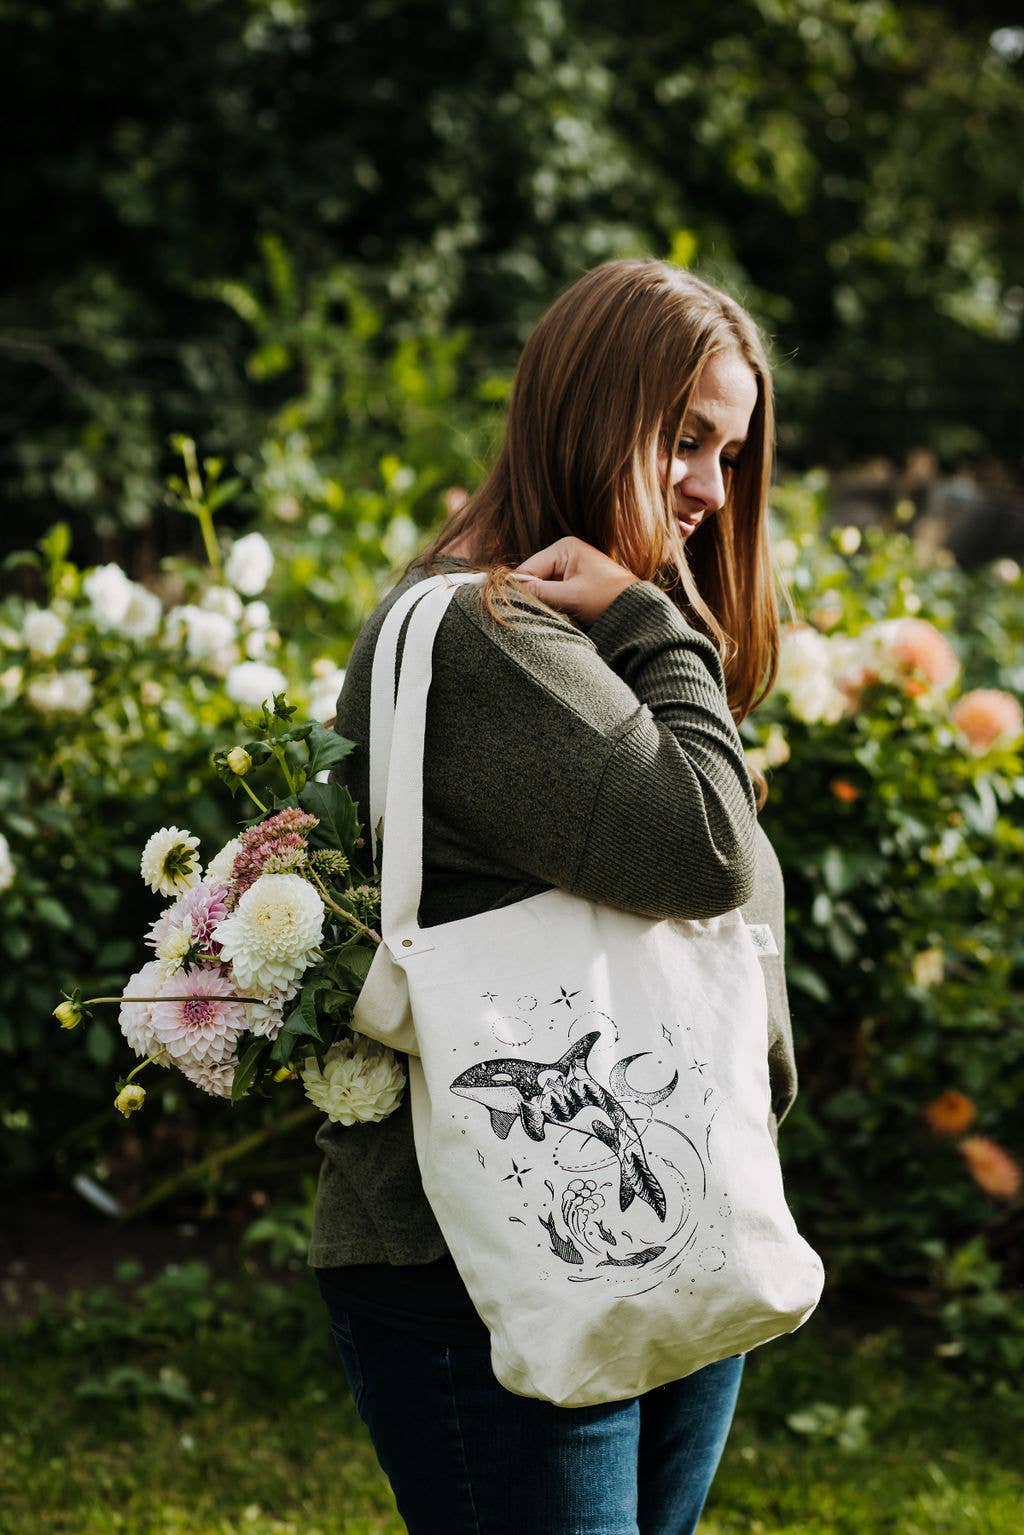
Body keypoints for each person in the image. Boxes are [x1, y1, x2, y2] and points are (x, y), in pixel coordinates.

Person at [310, 257, 798, 1534]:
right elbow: (705, 848)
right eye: (683, 439)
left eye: (729, 453)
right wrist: (651, 620)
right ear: (589, 413)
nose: (711, 487)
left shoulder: (559, 625)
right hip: (494, 1251)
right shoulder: (490, 634)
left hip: (652, 1198)